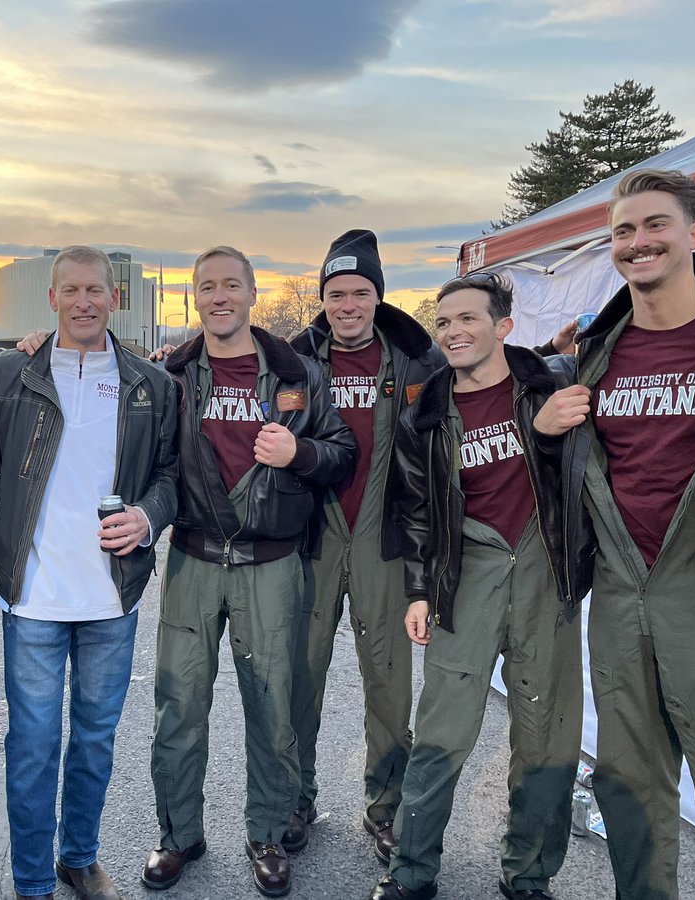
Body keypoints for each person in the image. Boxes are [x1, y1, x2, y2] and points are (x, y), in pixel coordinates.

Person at [533, 168, 695, 900]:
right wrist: (542, 435)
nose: (639, 242)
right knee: (629, 786)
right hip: (621, 592)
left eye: (656, 225)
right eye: (624, 231)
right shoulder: (597, 352)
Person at [142, 246, 355, 898]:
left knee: (273, 711)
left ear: (252, 292)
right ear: (195, 297)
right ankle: (179, 835)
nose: (219, 296)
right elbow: (158, 467)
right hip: (195, 561)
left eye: (231, 284)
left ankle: (266, 834)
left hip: (272, 565)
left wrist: (301, 452)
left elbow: (343, 453)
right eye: (207, 286)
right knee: (178, 709)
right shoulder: (172, 376)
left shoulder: (297, 375)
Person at [369, 272, 585, 900]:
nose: (454, 332)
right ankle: (411, 872)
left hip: (545, 569)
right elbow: (414, 508)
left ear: (503, 327)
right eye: (444, 322)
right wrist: (418, 590)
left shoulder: (552, 383)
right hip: (467, 573)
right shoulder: (426, 413)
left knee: (546, 735)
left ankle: (528, 875)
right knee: (441, 732)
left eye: (468, 318)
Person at [0, 245, 178, 900]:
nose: (83, 301)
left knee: (94, 743)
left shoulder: (153, 386)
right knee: (34, 749)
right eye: (70, 290)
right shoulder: (10, 374)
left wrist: (149, 518)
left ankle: (79, 856)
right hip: (34, 599)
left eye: (95, 290)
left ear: (114, 298)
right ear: (52, 298)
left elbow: (171, 477)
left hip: (111, 598)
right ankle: (33, 882)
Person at [286, 229, 444, 862]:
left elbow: (487, 371)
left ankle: (386, 807)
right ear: (322, 299)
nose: (347, 305)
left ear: (378, 296)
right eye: (335, 294)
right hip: (314, 538)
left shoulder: (416, 362)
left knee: (388, 687)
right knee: (300, 677)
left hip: (384, 539)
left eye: (359, 292)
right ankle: (297, 797)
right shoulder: (293, 362)